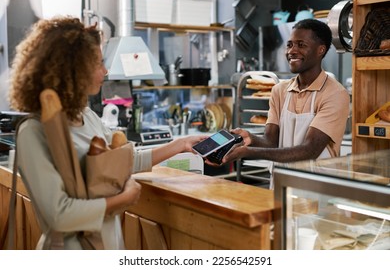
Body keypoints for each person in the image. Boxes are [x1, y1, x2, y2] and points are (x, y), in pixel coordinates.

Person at [8, 16, 207, 250]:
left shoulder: (87, 116)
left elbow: (121, 163)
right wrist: (123, 199)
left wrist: (180, 145)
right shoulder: (34, 132)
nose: (106, 70)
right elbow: (59, 216)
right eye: (98, 63)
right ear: (72, 70)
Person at [217, 19, 349, 169]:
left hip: (317, 186)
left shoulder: (335, 94)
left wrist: (249, 152)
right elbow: (271, 141)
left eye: (301, 45)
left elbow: (310, 150)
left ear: (321, 50)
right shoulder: (279, 90)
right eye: (289, 45)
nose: (292, 51)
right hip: (283, 182)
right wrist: (250, 138)